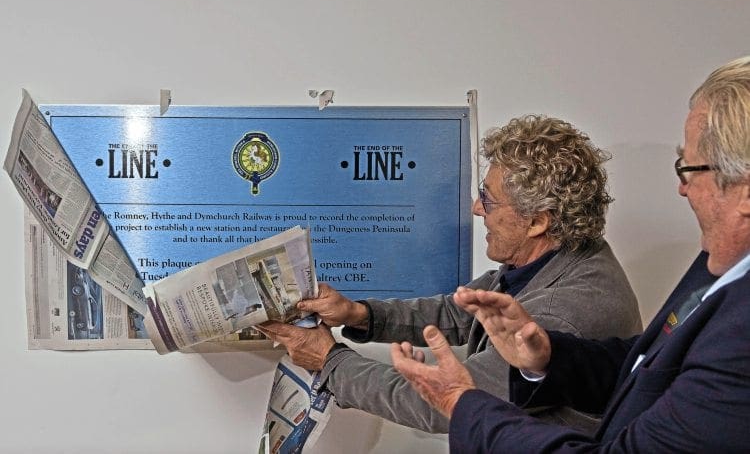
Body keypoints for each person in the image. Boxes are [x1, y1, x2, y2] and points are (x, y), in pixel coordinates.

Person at [391, 56, 750, 452]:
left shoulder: (741, 341)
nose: (682, 188)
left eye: (689, 168)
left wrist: (460, 403)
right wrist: (548, 357)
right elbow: (647, 363)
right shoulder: (720, 262)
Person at [256, 115, 642, 434]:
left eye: (488, 199)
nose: (476, 209)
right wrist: (361, 315)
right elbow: (459, 312)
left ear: (537, 222)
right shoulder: (558, 255)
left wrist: (328, 359)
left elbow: (437, 403)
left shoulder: (560, 312)